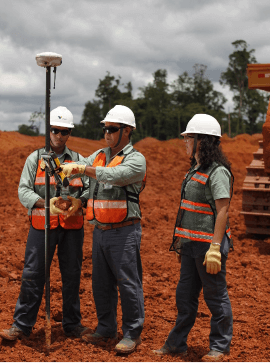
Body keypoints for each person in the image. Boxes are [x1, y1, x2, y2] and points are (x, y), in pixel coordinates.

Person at [60, 105, 146, 354]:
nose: (106, 133)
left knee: (128, 283)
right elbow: (82, 173)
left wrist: (81, 169)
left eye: (112, 129)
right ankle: (106, 328)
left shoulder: (135, 159)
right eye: (105, 129)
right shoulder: (98, 155)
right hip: (99, 230)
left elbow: (116, 175)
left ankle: (132, 333)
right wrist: (63, 171)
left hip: (124, 231)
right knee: (101, 283)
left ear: (127, 131)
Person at [0, 106, 89, 340]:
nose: (59, 136)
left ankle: (72, 324)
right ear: (48, 131)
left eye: (64, 132)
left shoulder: (80, 161)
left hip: (72, 229)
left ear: (70, 133)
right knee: (33, 274)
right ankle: (22, 325)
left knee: (71, 275)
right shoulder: (35, 159)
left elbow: (91, 190)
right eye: (55, 131)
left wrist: (77, 203)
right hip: (42, 227)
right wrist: (46, 204)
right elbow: (23, 191)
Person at [153, 114, 233, 362]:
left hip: (208, 246)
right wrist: (182, 245)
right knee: (184, 297)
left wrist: (215, 248)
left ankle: (219, 347)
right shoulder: (196, 169)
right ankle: (177, 344)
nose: (185, 141)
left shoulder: (217, 172)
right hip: (190, 246)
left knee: (215, 297)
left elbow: (223, 210)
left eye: (188, 137)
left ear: (202, 140)